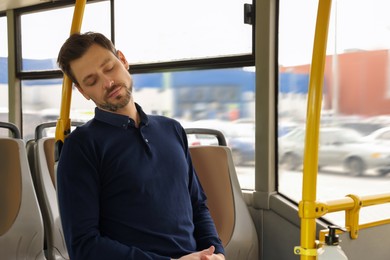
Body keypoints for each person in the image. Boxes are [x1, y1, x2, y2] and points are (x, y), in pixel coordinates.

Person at [56, 32, 225, 260]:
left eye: (108, 68)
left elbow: (198, 206)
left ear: (123, 60)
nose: (107, 83)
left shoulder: (172, 129)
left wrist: (216, 253)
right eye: (92, 81)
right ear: (83, 91)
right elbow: (84, 246)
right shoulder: (81, 147)